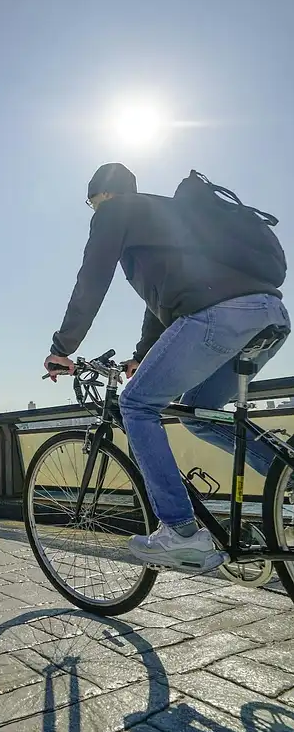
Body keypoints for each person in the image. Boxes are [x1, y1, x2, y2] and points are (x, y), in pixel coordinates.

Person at [44, 162, 290, 571]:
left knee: (137, 406)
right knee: (201, 413)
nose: (93, 211)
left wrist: (62, 347)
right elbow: (162, 302)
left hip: (218, 316)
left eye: (91, 203)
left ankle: (180, 532)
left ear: (102, 195)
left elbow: (92, 278)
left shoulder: (114, 211)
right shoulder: (167, 216)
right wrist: (142, 355)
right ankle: (286, 470)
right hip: (270, 314)